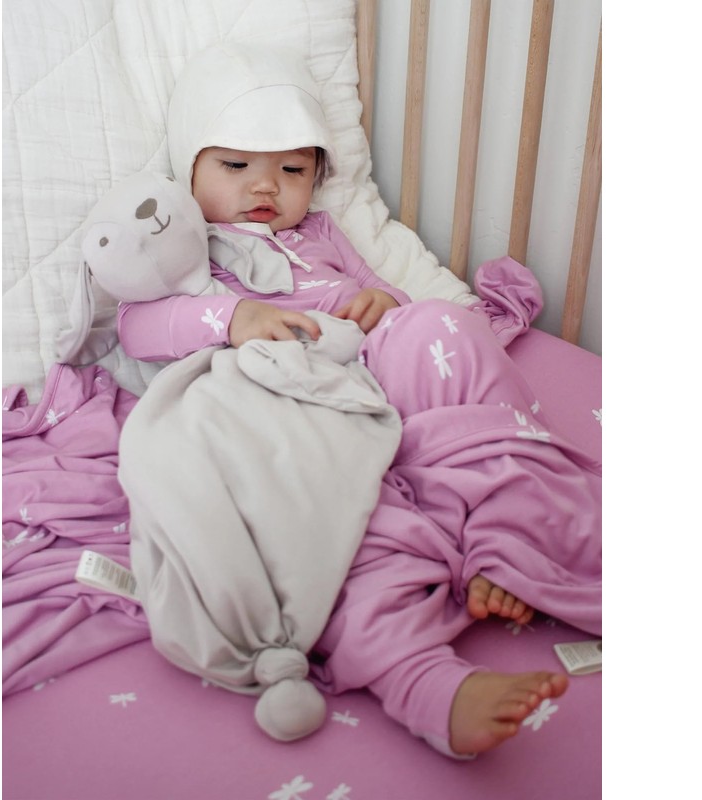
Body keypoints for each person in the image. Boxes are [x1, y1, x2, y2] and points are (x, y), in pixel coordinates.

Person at [117, 42, 600, 759]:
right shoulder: (187, 245)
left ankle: (517, 533)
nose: (266, 185)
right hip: (292, 400)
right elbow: (136, 324)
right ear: (189, 168)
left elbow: (377, 290)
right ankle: (425, 680)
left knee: (444, 328)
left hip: (373, 370)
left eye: (292, 169)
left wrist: (386, 302)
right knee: (345, 520)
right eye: (236, 165)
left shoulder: (321, 233)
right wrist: (233, 317)